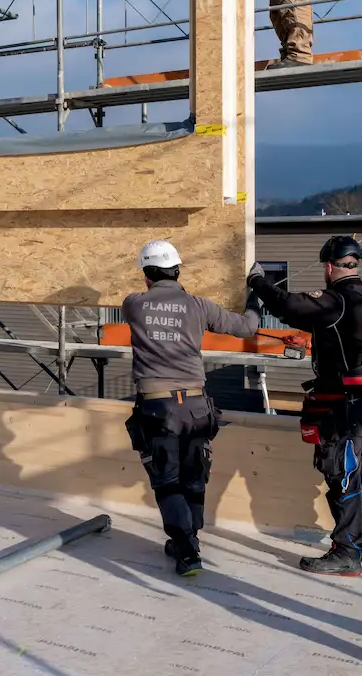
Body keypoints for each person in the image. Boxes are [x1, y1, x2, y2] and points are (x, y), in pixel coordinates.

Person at [247, 235, 362, 576]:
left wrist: (258, 282)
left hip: (342, 405)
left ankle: (346, 552)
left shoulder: (338, 299)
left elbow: (292, 306)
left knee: (343, 475)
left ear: (329, 267)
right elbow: (314, 320)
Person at [123, 240, 263, 577]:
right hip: (197, 406)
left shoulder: (134, 305)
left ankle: (185, 546)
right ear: (178, 270)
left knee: (167, 480)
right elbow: (247, 328)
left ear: (146, 276)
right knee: (194, 474)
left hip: (160, 408)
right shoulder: (198, 306)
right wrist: (254, 294)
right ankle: (191, 536)